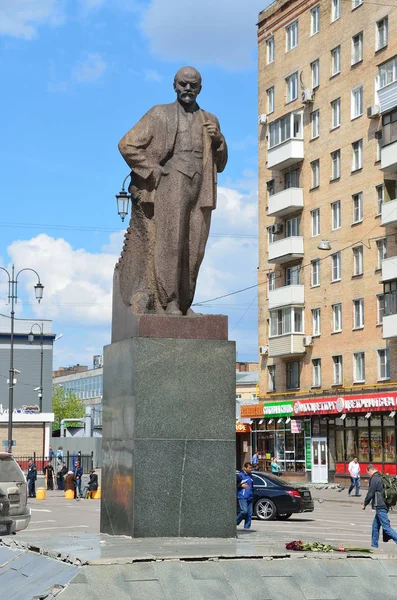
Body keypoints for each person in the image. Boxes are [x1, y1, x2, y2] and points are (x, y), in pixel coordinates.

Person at [117, 66, 228, 315]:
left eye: (193, 85)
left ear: (200, 88)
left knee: (195, 247)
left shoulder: (210, 120)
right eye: (183, 84)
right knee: (171, 242)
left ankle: (186, 304)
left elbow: (220, 165)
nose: (187, 89)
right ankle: (171, 302)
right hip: (172, 181)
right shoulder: (160, 114)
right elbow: (126, 144)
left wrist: (219, 141)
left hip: (202, 187)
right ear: (174, 85)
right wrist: (153, 170)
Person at [362, 465, 397, 548]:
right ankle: (374, 545)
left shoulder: (374, 478)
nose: (368, 475)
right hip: (385, 503)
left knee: (386, 528)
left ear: (369, 470)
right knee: (375, 526)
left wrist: (365, 504)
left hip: (380, 505)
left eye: (368, 473)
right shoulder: (382, 476)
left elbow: (370, 493)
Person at [236, 462, 254, 530]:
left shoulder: (251, 476)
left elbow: (252, 486)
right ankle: (235, 522)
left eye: (251, 468)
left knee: (249, 514)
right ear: (245, 468)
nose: (250, 469)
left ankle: (247, 528)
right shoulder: (239, 475)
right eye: (249, 468)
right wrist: (241, 485)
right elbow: (235, 484)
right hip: (242, 496)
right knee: (244, 511)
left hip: (250, 496)